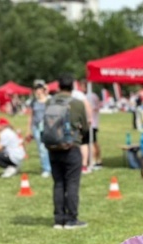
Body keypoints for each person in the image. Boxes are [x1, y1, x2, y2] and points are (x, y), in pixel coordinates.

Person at [49, 74, 89, 229]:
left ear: (58, 86)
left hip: (52, 146)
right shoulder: (77, 103)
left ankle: (58, 219)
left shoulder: (49, 102)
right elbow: (85, 127)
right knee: (72, 183)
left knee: (58, 183)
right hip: (71, 147)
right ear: (73, 86)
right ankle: (71, 219)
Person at [27, 80, 51, 178]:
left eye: (40, 89)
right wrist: (28, 129)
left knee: (50, 148)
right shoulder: (33, 102)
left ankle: (52, 167)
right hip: (36, 127)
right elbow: (31, 116)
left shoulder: (49, 100)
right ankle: (46, 168)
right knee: (42, 149)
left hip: (47, 127)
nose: (38, 91)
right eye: (36, 89)